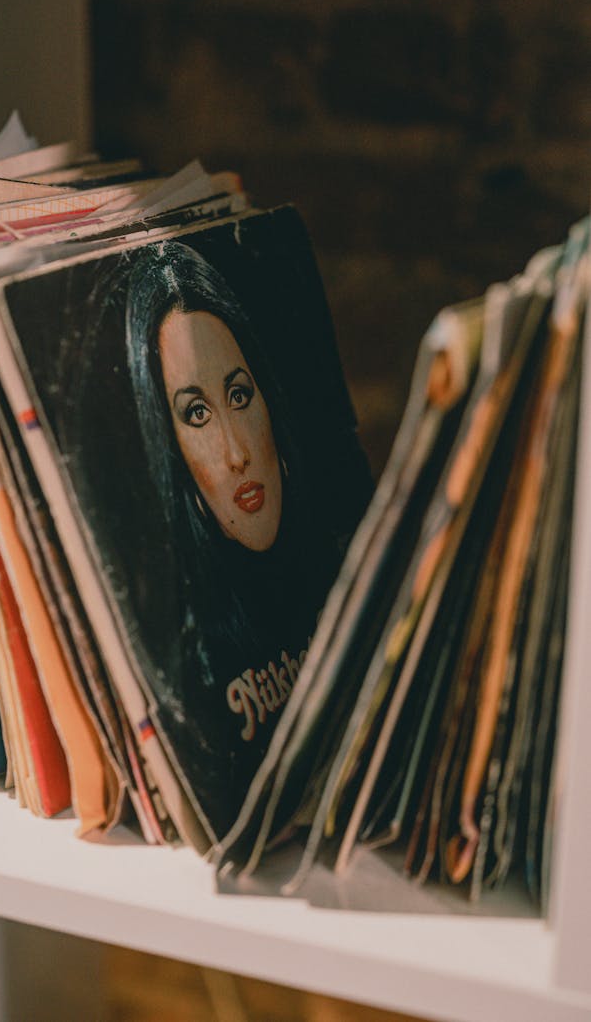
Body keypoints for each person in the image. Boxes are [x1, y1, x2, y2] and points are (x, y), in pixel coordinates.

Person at [123, 238, 372, 829]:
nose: (236, 454)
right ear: (169, 445)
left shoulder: (345, 567)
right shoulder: (183, 660)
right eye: (196, 414)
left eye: (239, 395)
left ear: (270, 401)